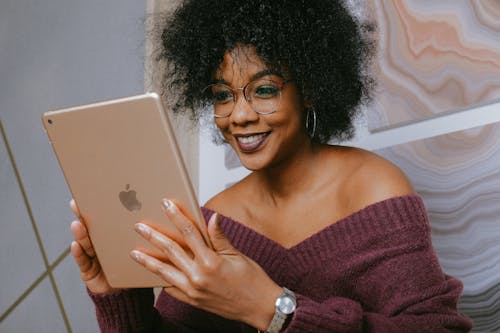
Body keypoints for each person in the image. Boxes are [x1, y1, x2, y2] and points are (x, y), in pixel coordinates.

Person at [69, 0, 473, 332]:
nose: (239, 115)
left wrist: (273, 309)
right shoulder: (216, 220)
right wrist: (115, 294)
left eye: (264, 90)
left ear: (311, 90)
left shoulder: (372, 190)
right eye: (223, 95)